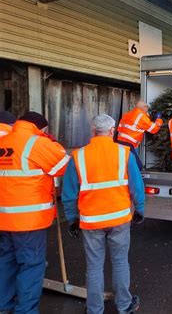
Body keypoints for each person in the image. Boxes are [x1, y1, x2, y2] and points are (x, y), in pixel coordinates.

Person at [62, 114, 145, 314]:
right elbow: (137, 187)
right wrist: (140, 209)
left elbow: (69, 194)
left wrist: (72, 220)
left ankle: (94, 309)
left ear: (93, 131)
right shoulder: (124, 153)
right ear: (112, 131)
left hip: (91, 222)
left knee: (94, 267)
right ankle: (124, 306)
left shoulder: (78, 156)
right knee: (120, 262)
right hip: (119, 219)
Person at [0, 111, 70, 313]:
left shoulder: (4, 141)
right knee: (31, 265)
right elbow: (64, 166)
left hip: (3, 219)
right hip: (28, 221)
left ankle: (3, 307)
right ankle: (25, 311)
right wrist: (50, 142)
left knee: (6, 262)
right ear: (41, 129)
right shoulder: (36, 144)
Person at [117, 100, 163, 170]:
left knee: (125, 165)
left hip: (120, 142)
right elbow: (154, 129)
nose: (148, 108)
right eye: (147, 107)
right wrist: (158, 119)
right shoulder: (141, 116)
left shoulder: (128, 114)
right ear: (144, 107)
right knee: (137, 167)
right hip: (128, 144)